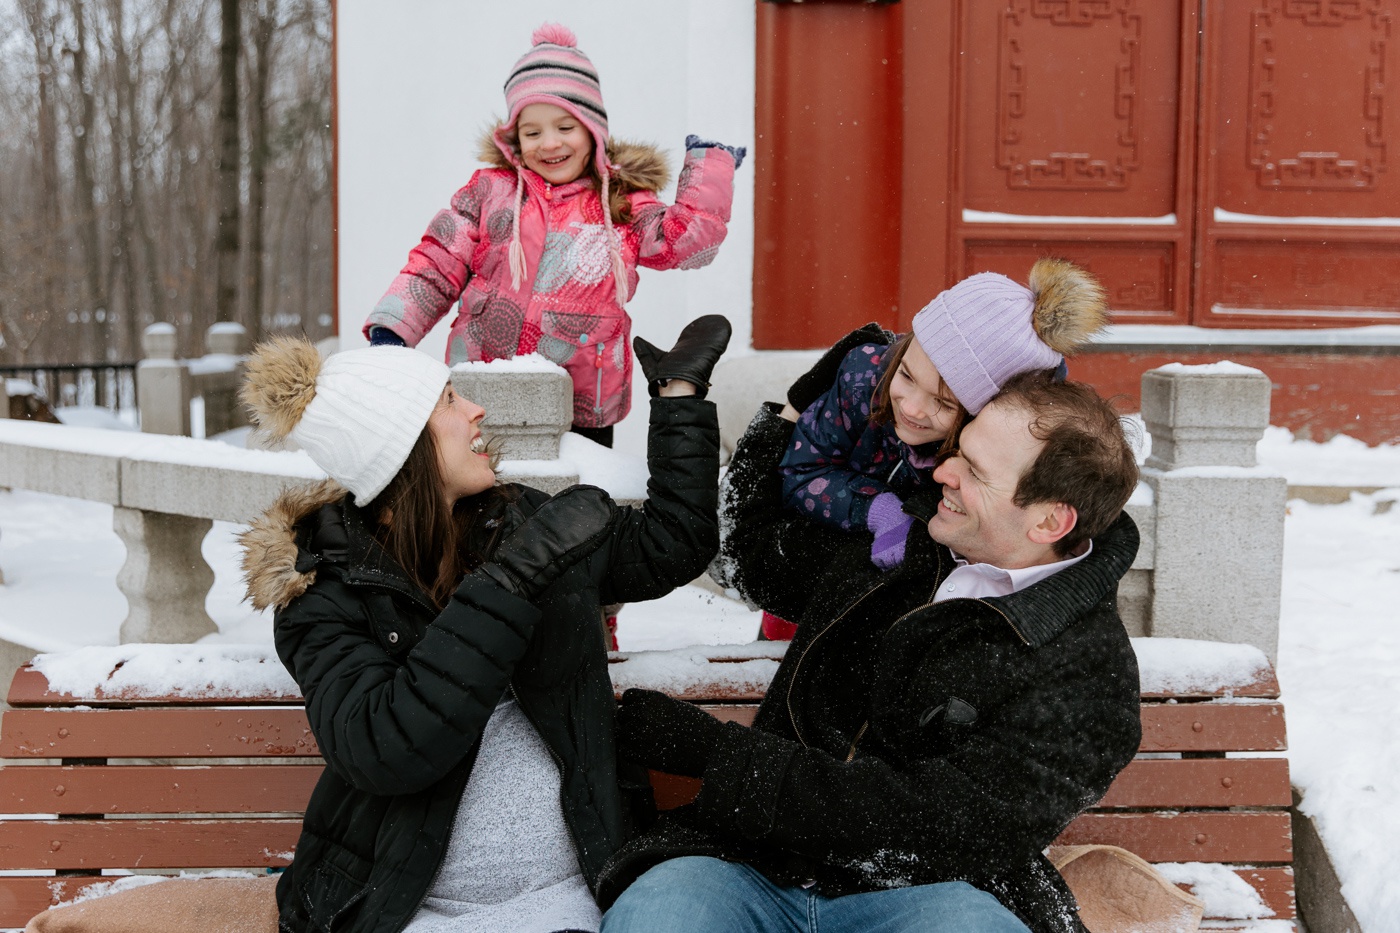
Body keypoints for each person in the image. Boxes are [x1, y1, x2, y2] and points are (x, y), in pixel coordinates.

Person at [597, 369, 1144, 933]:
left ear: (1050, 520)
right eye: (960, 452)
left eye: (975, 471)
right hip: (747, 864)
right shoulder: (902, 538)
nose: (945, 472)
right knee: (658, 918)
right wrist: (781, 408)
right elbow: (748, 556)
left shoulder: (1088, 672)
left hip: (930, 893)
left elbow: (937, 825)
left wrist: (719, 756)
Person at [236, 315, 731, 933]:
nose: (476, 409)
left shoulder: (515, 520)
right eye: (447, 399)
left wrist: (679, 397)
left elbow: (670, 544)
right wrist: (513, 583)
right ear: (403, 446)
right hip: (408, 909)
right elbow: (385, 747)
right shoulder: (320, 592)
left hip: (566, 894)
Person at [364, 22, 744, 448]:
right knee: (487, 500)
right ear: (513, 139)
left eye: (566, 127)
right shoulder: (489, 192)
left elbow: (686, 245)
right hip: (485, 391)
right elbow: (435, 263)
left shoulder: (620, 202)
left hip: (581, 402)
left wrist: (710, 170)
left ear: (593, 130)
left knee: (571, 507)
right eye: (532, 132)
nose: (549, 143)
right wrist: (392, 331)